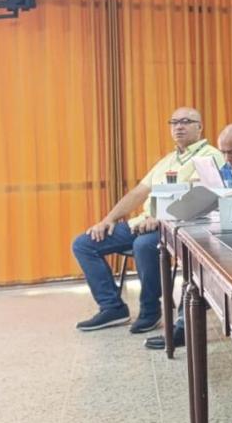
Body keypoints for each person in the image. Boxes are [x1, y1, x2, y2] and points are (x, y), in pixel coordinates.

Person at [71, 106, 221, 334]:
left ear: (199, 127)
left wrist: (160, 218)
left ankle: (150, 312)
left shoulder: (210, 156)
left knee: (143, 245)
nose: (179, 126)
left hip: (178, 225)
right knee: (84, 243)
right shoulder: (168, 160)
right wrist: (108, 219)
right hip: (143, 222)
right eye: (174, 122)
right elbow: (138, 193)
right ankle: (112, 308)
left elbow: (199, 197)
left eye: (186, 121)